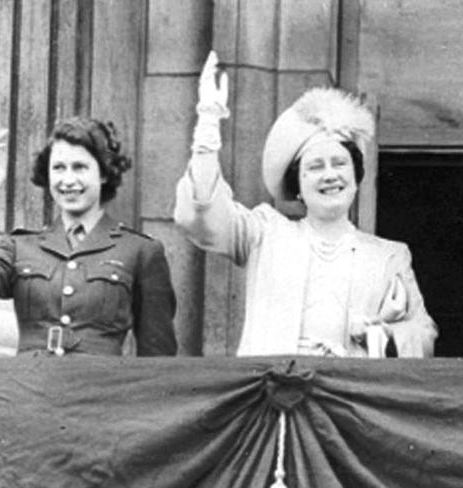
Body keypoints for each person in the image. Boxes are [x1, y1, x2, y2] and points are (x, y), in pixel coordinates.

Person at [174, 52, 437, 357]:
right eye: (315, 167)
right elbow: (203, 217)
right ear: (297, 184)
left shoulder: (389, 256)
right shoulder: (265, 233)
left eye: (339, 163)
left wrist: (382, 335)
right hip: (275, 395)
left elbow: (424, 333)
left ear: (355, 177)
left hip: (348, 398)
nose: (329, 175)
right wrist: (208, 125)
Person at [0, 117, 178, 356]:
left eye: (80, 167)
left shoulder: (139, 251)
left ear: (104, 174)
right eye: (58, 168)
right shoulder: (21, 245)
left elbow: (157, 354)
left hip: (97, 390)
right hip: (30, 387)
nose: (68, 180)